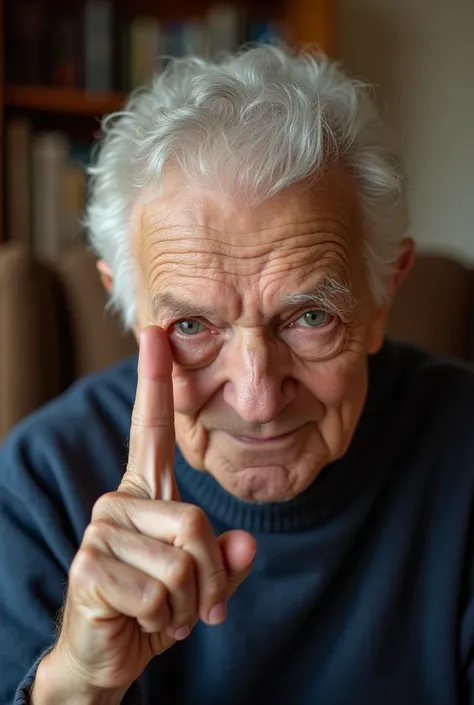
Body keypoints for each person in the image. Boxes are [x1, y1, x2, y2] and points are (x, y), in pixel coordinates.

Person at [1, 44, 474, 705]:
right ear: (129, 309)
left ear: (381, 297)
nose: (256, 399)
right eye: (192, 327)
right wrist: (79, 685)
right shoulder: (37, 485)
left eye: (309, 315)